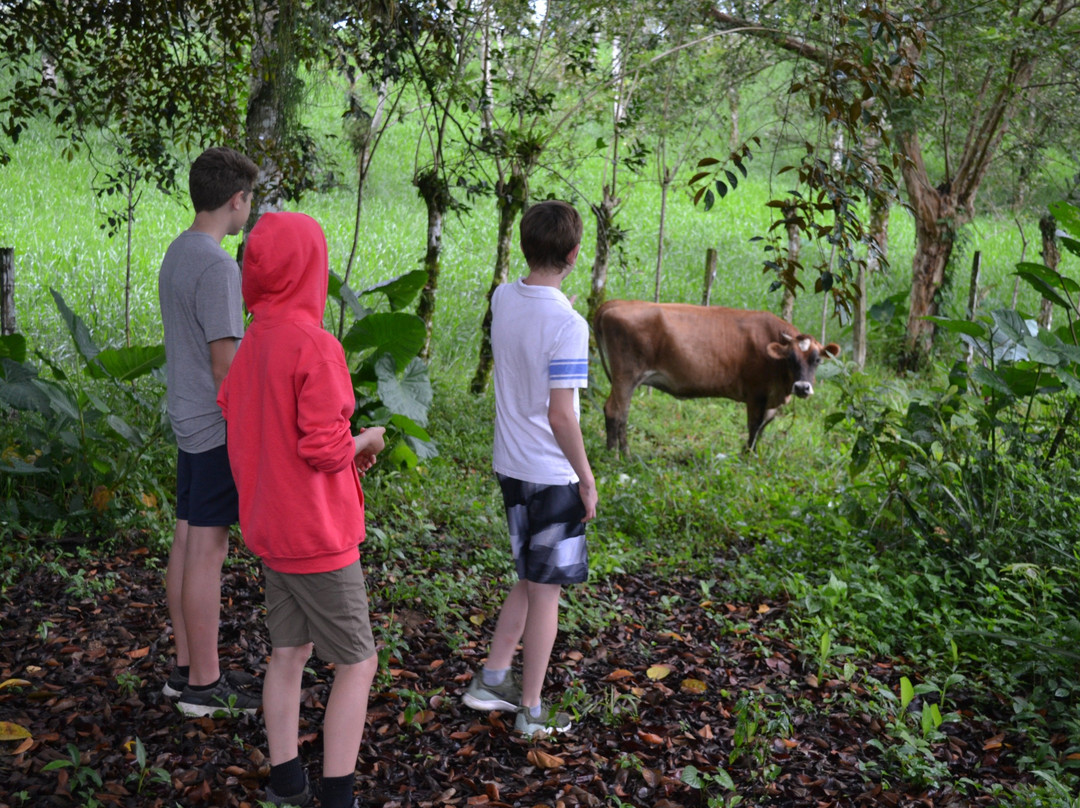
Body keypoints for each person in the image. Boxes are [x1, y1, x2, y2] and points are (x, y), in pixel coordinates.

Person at [218, 211, 386, 808]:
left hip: (269, 529)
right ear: (311, 269)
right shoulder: (315, 345)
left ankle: (287, 781)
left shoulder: (253, 343)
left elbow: (241, 415)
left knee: (288, 653)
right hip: (317, 536)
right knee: (358, 663)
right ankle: (338, 795)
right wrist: (365, 441)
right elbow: (323, 446)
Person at [462, 199, 598, 737]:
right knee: (547, 593)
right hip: (549, 472)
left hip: (511, 466)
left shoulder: (503, 297)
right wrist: (586, 479)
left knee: (530, 574)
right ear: (573, 253)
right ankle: (533, 710)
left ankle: (493, 677)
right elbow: (561, 414)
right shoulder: (568, 323)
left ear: (525, 246)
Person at [158, 146, 261, 717]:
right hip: (215, 425)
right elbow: (227, 364)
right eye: (249, 199)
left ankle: (186, 667)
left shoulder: (179, 250)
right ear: (236, 200)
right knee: (209, 549)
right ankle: (205, 684)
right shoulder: (219, 266)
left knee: (187, 541)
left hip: (185, 417)